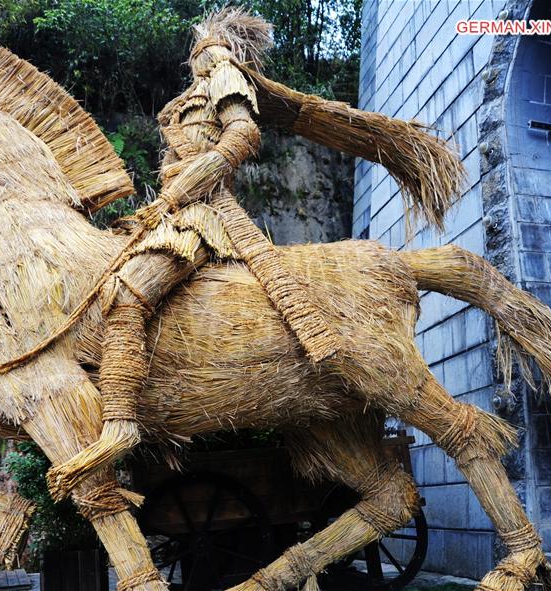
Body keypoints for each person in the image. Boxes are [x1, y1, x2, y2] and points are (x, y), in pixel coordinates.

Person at [46, 9, 340, 500]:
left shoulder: (226, 77)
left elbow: (242, 137)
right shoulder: (187, 99)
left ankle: (120, 425)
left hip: (204, 217)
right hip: (169, 214)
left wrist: (189, 185)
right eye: (198, 52)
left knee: (130, 292)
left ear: (224, 50)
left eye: (206, 49)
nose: (199, 58)